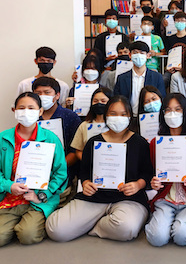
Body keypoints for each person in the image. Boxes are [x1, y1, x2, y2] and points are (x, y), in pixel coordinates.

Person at [46, 96, 153, 242]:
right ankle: (97, 222)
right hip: (95, 197)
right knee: (56, 230)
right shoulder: (94, 142)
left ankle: (94, 226)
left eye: (123, 114)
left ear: (130, 116)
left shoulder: (140, 143)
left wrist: (138, 185)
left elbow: (147, 173)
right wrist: (85, 183)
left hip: (129, 199)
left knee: (127, 228)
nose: (118, 118)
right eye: (113, 114)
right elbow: (84, 171)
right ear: (106, 115)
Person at [0, 93, 67, 246]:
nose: (26, 112)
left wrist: (42, 195)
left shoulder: (50, 138)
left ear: (40, 111)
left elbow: (61, 172)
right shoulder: (3, 138)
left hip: (38, 200)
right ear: (14, 110)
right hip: (9, 197)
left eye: (31, 108)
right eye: (21, 108)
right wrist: (8, 186)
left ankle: (29, 223)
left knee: (27, 236)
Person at [145, 94, 186, 247]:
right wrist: (154, 182)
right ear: (163, 113)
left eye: (178, 109)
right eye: (168, 110)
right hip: (166, 199)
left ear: (185, 112)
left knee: (182, 236)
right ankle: (167, 224)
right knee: (157, 238)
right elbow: (152, 172)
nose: (172, 114)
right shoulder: (156, 143)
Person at [33, 77, 81, 202]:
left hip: (63, 173)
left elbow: (75, 150)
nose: (42, 96)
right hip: (35, 172)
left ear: (57, 95)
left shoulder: (70, 116)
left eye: (47, 92)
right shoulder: (31, 117)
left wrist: (56, 168)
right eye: (38, 93)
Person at [114, 41, 166, 116]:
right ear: (130, 55)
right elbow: (117, 99)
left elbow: (162, 98)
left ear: (148, 55)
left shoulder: (157, 77)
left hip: (150, 117)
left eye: (142, 53)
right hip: (128, 116)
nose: (138, 55)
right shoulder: (121, 78)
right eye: (135, 53)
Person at [71, 87, 112, 161]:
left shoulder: (115, 125)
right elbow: (78, 150)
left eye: (103, 101)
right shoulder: (84, 125)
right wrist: (88, 162)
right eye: (95, 101)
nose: (99, 103)